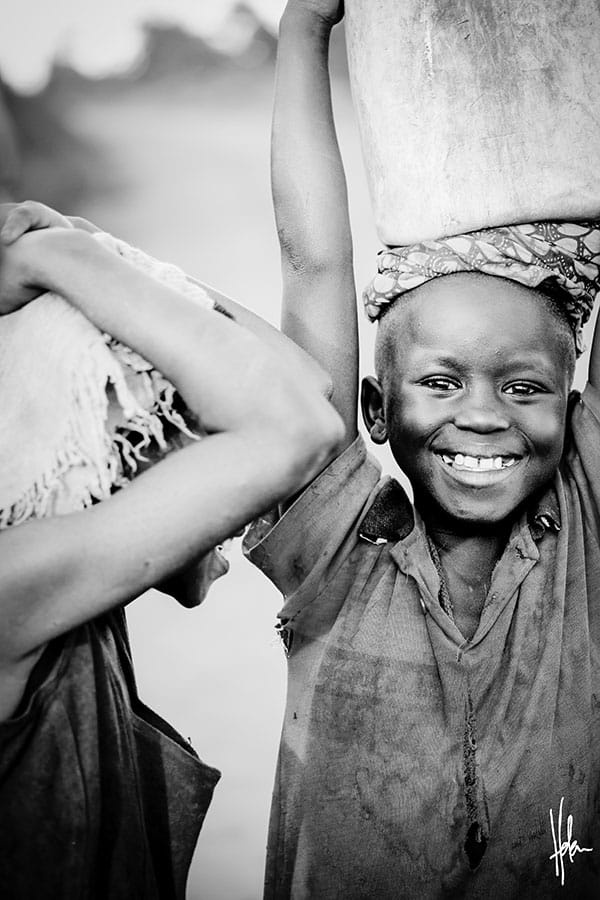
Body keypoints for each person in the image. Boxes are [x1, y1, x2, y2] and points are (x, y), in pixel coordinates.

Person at [242, 1, 600, 897]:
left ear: (573, 404)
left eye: (524, 388)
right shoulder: (332, 545)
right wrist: (304, 31)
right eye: (441, 383)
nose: (484, 416)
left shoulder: (584, 527)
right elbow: (311, 263)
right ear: (371, 406)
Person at [0, 202, 343, 899]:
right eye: (177, 418)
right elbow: (296, 424)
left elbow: (309, 391)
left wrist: (92, 242)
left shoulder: (64, 595)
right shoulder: (14, 587)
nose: (214, 448)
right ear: (99, 455)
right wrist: (54, 258)